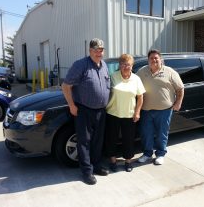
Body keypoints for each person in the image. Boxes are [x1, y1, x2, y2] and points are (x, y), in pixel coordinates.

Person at [62, 38, 110, 185]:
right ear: (89, 51)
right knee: (84, 142)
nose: (98, 52)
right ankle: (87, 171)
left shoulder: (104, 65)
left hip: (101, 111)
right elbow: (65, 86)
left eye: (101, 50)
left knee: (97, 141)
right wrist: (71, 105)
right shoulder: (80, 65)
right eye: (95, 50)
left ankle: (96, 165)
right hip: (84, 110)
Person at [137, 49, 184, 165]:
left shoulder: (169, 72)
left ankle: (160, 154)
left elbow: (180, 88)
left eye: (156, 58)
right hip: (146, 110)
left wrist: (178, 103)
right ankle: (147, 154)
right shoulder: (142, 71)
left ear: (160, 59)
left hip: (164, 110)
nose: (154, 60)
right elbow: (133, 83)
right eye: (151, 58)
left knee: (162, 133)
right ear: (148, 60)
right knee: (146, 133)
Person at [105, 54, 145, 172]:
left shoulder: (136, 79)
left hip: (129, 114)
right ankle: (113, 161)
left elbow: (140, 97)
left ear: (132, 66)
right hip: (113, 113)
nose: (126, 67)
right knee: (111, 139)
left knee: (128, 140)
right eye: (123, 64)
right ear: (119, 65)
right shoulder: (113, 76)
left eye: (128, 64)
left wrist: (137, 112)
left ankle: (128, 162)